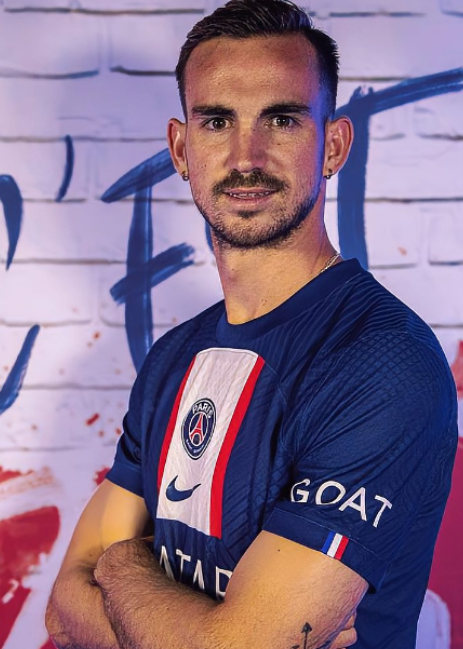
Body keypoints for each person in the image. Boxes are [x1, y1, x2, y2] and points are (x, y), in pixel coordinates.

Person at [45, 1, 458, 648]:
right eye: (217, 121)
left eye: (282, 119)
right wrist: (196, 616)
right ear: (181, 149)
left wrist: (119, 565)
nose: (246, 156)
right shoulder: (173, 358)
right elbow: (62, 609)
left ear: (334, 145)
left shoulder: (383, 362)